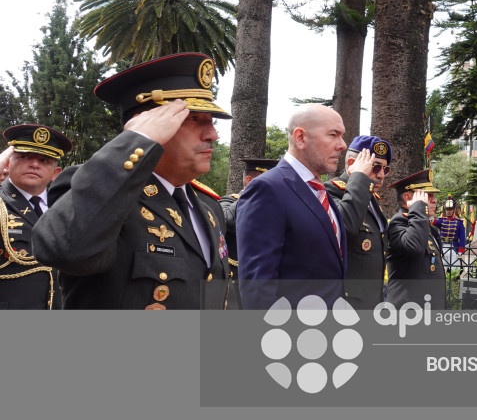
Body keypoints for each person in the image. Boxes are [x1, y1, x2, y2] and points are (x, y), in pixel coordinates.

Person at [31, 52, 233, 309]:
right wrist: (137, 140)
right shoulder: (101, 189)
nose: (213, 134)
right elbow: (62, 249)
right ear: (147, 123)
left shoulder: (208, 206)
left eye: (211, 122)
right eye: (193, 118)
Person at [237, 103, 347, 309]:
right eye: (333, 135)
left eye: (342, 136)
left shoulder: (319, 190)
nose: (342, 145)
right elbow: (258, 289)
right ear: (300, 138)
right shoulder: (267, 188)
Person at [0, 125, 72, 309]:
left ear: (55, 173)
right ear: (7, 164)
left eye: (44, 160)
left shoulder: (65, 207)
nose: (34, 164)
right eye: (25, 157)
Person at [325, 135, 391, 310]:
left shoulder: (372, 200)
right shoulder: (329, 192)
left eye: (385, 169)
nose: (381, 175)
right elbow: (345, 226)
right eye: (375, 167)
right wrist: (359, 177)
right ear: (352, 163)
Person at [220, 158, 279, 308]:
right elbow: (227, 220)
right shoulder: (228, 202)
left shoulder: (278, 208)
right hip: (238, 284)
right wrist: (254, 194)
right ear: (249, 181)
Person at [385, 169, 446, 310]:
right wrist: (418, 209)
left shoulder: (426, 227)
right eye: (427, 195)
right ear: (408, 198)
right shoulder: (398, 223)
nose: (434, 200)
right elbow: (414, 247)